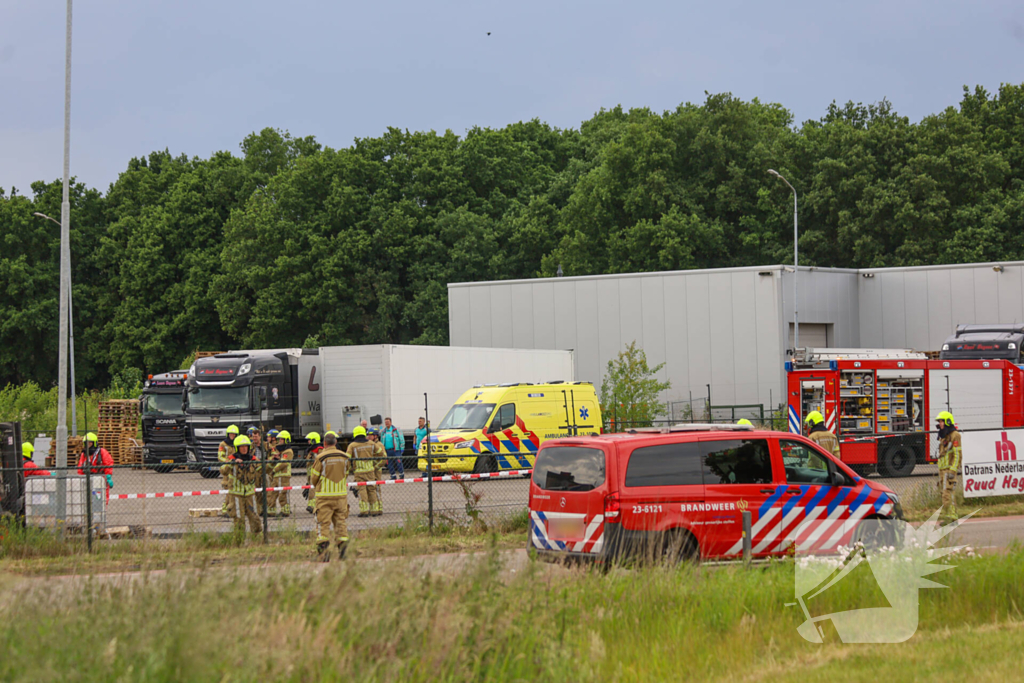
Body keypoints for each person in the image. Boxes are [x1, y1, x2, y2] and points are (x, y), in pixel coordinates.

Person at [309, 432, 352, 562]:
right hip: (341, 496)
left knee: (323, 525)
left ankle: (324, 555)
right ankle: (343, 554)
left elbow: (314, 478)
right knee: (341, 524)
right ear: (336, 443)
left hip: (324, 497)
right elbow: (346, 473)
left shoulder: (321, 458)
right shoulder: (345, 457)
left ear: (325, 444)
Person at [228, 435, 262, 536]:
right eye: (241, 446)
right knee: (239, 519)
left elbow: (264, 469)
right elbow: (223, 469)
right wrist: (233, 463)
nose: (244, 448)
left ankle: (257, 540)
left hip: (250, 496)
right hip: (237, 496)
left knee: (254, 518)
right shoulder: (231, 458)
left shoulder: (253, 459)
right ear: (237, 448)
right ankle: (239, 541)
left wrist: (266, 463)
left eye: (246, 446)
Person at [936, 411, 962, 521]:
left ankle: (952, 517)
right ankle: (950, 516)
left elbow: (957, 454)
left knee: (948, 494)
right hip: (942, 470)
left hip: (949, 470)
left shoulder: (955, 435)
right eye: (939, 421)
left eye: (941, 421)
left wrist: (953, 470)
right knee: (944, 494)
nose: (940, 424)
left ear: (947, 421)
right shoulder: (944, 436)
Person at [355, 429, 386, 517]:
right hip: (370, 470)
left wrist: (375, 467)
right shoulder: (369, 444)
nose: (368, 437)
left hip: (376, 471)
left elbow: (384, 458)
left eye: (370, 435)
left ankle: (379, 508)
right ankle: (373, 509)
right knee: (370, 489)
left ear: (375, 436)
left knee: (376, 489)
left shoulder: (379, 445)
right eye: (367, 435)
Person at [77, 432, 114, 503]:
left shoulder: (102, 452)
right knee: (86, 499)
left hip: (100, 478)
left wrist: (108, 477)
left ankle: (101, 513)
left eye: (90, 442)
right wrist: (80, 479)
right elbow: (80, 467)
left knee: (101, 499)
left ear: (94, 443)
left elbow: (108, 464)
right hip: (88, 478)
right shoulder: (84, 454)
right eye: (86, 443)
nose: (88, 444)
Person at [265, 430, 293, 517]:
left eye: (281, 439)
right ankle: (271, 511)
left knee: (283, 494)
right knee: (272, 493)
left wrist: (274, 470)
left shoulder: (288, 451)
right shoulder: (280, 451)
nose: (279, 441)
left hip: (284, 476)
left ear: (286, 440)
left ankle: (285, 511)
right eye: (279, 439)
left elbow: (284, 463)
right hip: (277, 477)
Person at [218, 425, 240, 515]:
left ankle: (233, 509)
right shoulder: (223, 444)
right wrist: (229, 461)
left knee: (236, 491)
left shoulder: (238, 443)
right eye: (231, 434)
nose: (232, 435)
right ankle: (225, 508)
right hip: (227, 470)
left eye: (234, 434)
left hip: (237, 470)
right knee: (227, 490)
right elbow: (220, 456)